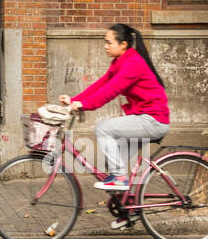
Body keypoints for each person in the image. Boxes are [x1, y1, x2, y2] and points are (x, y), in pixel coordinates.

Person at [61, 23, 170, 204]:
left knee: (104, 128)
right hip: (143, 117)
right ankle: (127, 208)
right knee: (110, 165)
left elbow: (110, 91)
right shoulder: (120, 62)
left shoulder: (132, 64)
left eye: (109, 42)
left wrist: (83, 105)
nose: (105, 46)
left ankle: (120, 178)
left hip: (153, 120)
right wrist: (75, 100)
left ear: (123, 44)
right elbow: (101, 84)